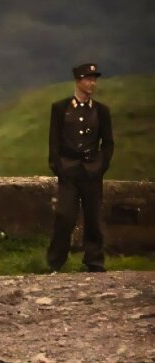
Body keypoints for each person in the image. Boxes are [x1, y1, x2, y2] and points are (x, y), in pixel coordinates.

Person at [47, 63, 114, 273]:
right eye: (88, 79)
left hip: (92, 170)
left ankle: (94, 260)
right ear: (78, 81)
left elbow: (108, 142)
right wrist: (57, 166)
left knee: (93, 216)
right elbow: (54, 140)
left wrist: (101, 165)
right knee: (64, 216)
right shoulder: (60, 108)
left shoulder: (101, 111)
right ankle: (55, 261)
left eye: (94, 79)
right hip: (69, 169)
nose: (92, 83)